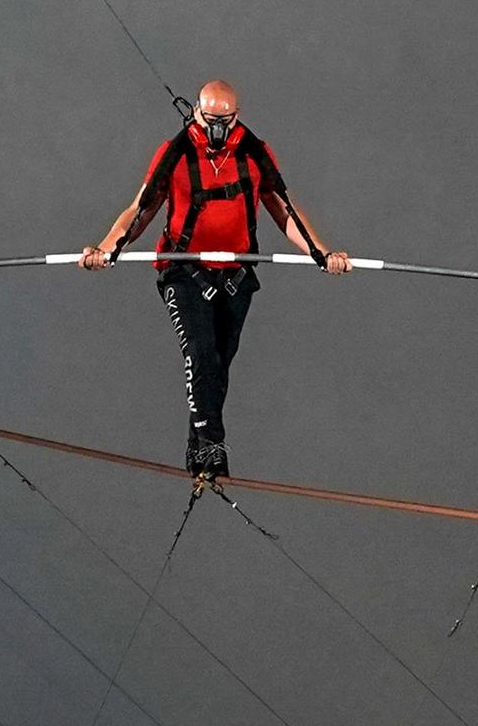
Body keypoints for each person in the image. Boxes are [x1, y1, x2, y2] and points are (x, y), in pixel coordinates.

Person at [79, 80, 351, 480]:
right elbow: (140, 210)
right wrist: (106, 249)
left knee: (219, 365)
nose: (219, 129)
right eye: (211, 120)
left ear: (237, 116)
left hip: (236, 278)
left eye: (227, 120)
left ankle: (196, 447)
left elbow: (285, 211)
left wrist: (321, 253)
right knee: (201, 352)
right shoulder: (174, 154)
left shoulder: (255, 154)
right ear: (195, 113)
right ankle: (213, 446)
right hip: (184, 272)